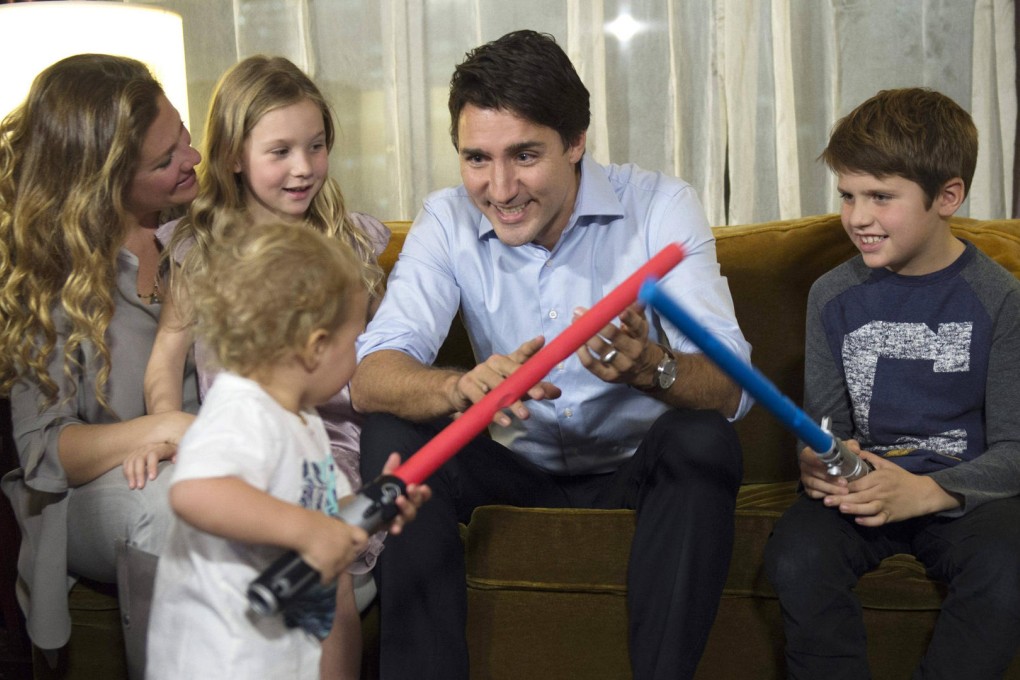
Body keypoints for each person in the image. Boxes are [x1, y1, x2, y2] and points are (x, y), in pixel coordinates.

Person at [352, 30, 752, 680]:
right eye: (477, 159)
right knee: (393, 431)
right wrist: (463, 390)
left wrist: (652, 368)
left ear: (575, 142)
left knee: (701, 439)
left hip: (633, 473)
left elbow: (733, 389)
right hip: (511, 469)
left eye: (525, 155)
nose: (500, 187)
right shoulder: (446, 220)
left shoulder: (661, 207)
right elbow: (372, 378)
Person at [141, 55, 390, 670]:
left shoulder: (348, 246)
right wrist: (167, 426)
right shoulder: (199, 251)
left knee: (322, 560)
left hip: (326, 444)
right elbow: (164, 360)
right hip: (239, 437)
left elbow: (375, 359)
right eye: (279, 151)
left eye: (316, 145)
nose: (303, 167)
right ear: (232, 155)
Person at [763, 88, 1020, 679]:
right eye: (849, 196)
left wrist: (930, 492)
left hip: (962, 497)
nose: (857, 217)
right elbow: (827, 427)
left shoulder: (1000, 299)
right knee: (797, 554)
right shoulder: (831, 295)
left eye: (881, 196)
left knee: (1009, 564)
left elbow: (1013, 452)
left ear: (947, 196)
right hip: (864, 490)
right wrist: (818, 457)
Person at [145, 221, 430, 680]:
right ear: (316, 348)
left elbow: (326, 511)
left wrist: (375, 505)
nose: (361, 354)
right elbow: (195, 492)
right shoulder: (240, 408)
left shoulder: (305, 420)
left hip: (275, 652)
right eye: (356, 340)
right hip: (218, 658)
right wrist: (306, 531)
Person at [0, 54, 201, 656]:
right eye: (165, 161)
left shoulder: (203, 227)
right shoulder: (48, 271)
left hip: (212, 460)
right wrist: (166, 427)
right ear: (103, 179)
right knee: (174, 509)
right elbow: (46, 449)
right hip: (97, 493)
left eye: (184, 138)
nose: (192, 160)